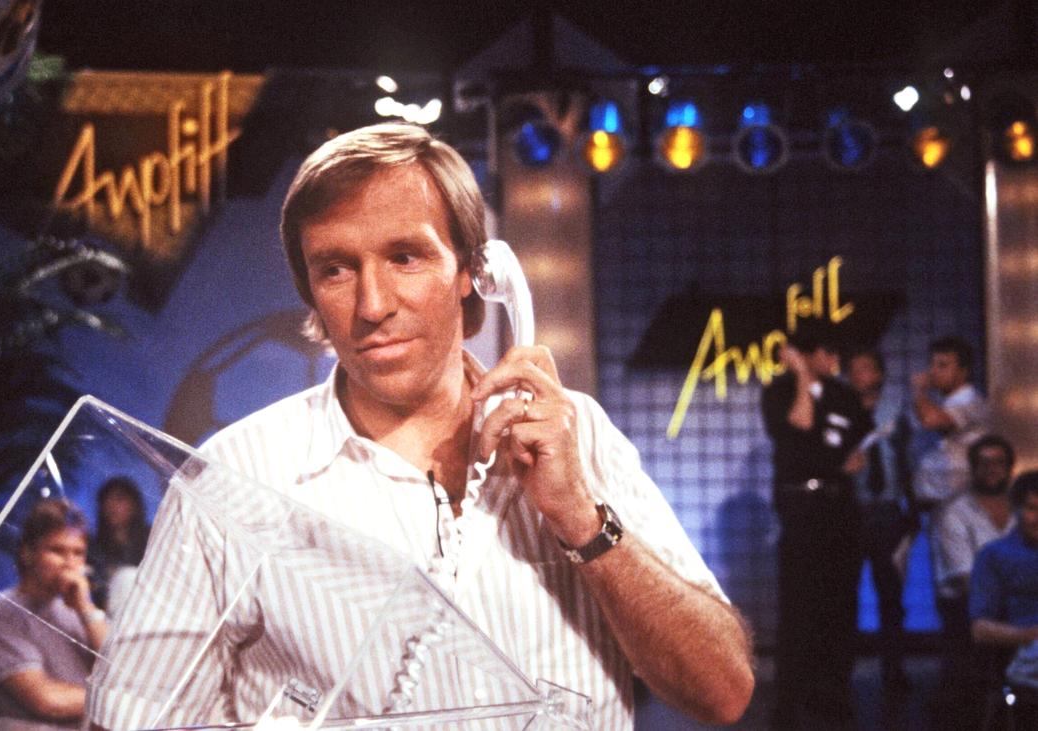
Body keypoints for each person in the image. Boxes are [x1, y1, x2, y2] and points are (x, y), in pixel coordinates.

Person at [86, 124, 754, 730]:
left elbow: (722, 692)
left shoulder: (581, 435)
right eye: (336, 269)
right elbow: (124, 719)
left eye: (405, 256)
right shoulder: (233, 476)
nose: (372, 304)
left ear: (474, 272)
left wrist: (581, 516)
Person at [760, 329, 872, 727]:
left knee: (840, 606)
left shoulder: (843, 395)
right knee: (799, 608)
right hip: (800, 512)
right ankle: (789, 703)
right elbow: (800, 423)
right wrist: (802, 376)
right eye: (828, 351)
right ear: (806, 354)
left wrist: (838, 461)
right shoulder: (778, 392)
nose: (835, 359)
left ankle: (835, 695)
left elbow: (858, 443)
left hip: (840, 509)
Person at [0, 498, 110, 724]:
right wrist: (118, 699)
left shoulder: (79, 611)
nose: (70, 563)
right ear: (27, 553)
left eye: (78, 553)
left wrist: (86, 608)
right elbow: (48, 701)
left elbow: (122, 671)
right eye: (57, 551)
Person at [931, 434, 1016, 728]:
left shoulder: (1025, 511)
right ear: (972, 468)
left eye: (999, 463)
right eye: (983, 463)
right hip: (967, 609)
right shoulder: (954, 512)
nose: (991, 469)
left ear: (1009, 468)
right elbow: (966, 579)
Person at [845, 347, 914, 691]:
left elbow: (908, 459)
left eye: (867, 368)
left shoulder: (896, 411)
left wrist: (911, 511)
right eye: (855, 369)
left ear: (880, 374)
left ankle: (894, 669)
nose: (861, 375)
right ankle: (842, 673)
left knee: (892, 595)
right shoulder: (839, 412)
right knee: (845, 596)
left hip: (888, 510)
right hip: (850, 511)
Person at [971, 470, 1038, 726]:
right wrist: (1030, 635)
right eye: (1032, 508)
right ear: (1016, 510)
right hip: (1026, 652)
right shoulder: (995, 555)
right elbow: (981, 630)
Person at [911, 336, 990, 512]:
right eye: (931, 364)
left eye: (942, 365)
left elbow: (931, 420)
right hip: (938, 503)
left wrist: (919, 391)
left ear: (963, 371)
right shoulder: (948, 403)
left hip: (960, 504)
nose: (933, 372)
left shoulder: (971, 401)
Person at [88, 476, 150, 613]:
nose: (111, 505)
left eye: (119, 499)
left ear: (134, 504)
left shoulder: (151, 539)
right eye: (106, 500)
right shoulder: (94, 548)